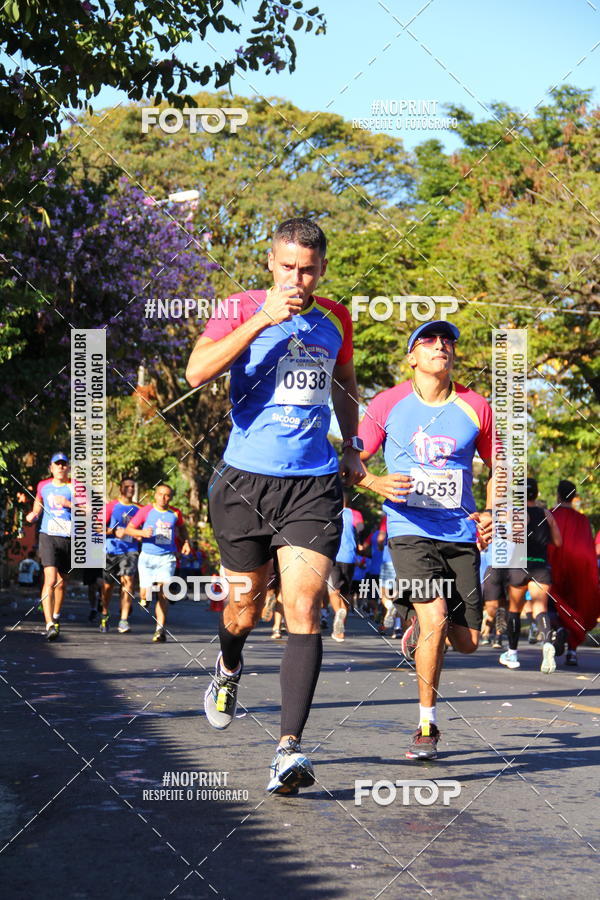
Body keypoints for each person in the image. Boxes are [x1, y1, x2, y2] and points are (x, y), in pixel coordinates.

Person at [185, 217, 363, 794]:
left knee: (303, 607)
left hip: (311, 484)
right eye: (287, 267)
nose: (297, 279)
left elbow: (344, 382)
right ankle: (229, 665)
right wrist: (263, 318)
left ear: (322, 269)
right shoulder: (239, 307)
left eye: (307, 270)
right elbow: (196, 371)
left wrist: (353, 445)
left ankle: (289, 749)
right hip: (244, 482)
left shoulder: (336, 318)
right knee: (243, 612)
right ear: (270, 262)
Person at [358, 320, 495, 760]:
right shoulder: (388, 403)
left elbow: (502, 469)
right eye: (429, 341)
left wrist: (492, 512)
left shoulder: (476, 406)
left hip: (460, 533)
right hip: (409, 529)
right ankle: (426, 725)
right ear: (412, 357)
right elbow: (350, 460)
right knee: (436, 617)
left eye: (447, 341)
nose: (441, 346)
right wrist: (375, 482)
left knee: (468, 642)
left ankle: (418, 626)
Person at [502, 477, 562, 672]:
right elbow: (558, 542)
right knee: (540, 609)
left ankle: (512, 653)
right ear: (536, 494)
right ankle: (547, 642)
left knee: (514, 610)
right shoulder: (546, 514)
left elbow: (507, 537)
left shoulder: (513, 513)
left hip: (518, 566)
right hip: (540, 566)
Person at [124, 484, 191, 643]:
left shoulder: (175, 513)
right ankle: (145, 598)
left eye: (167, 495)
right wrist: (142, 532)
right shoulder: (146, 511)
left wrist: (186, 542)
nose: (163, 498)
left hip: (166, 558)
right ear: (155, 495)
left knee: (163, 592)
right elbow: (129, 529)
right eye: (160, 494)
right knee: (144, 594)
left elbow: (182, 529)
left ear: (171, 497)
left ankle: (160, 629)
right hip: (147, 557)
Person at [548, 479, 600, 666]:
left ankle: (559, 630)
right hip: (579, 571)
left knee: (551, 605)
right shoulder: (582, 520)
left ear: (558, 495)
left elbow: (547, 544)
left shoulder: (551, 515)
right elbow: (588, 550)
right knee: (576, 609)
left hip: (555, 567)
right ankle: (572, 652)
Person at [26, 452, 77, 640]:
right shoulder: (43, 486)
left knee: (61, 583)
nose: (61, 467)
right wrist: (34, 514)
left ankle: (56, 616)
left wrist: (68, 503)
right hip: (47, 535)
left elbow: (88, 510)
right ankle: (49, 624)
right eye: (57, 464)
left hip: (68, 537)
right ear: (51, 468)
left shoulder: (75, 487)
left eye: (64, 464)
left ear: (68, 468)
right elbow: (38, 503)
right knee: (50, 580)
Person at [100, 478, 140, 634]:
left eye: (132, 486)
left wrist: (139, 535)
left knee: (128, 582)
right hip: (111, 550)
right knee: (108, 586)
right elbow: (96, 527)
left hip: (130, 550)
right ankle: (104, 612)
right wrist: (114, 531)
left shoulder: (138, 509)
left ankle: (123, 620)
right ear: (120, 488)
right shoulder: (111, 506)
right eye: (127, 486)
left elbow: (142, 528)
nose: (130, 489)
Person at [327, 492, 357, 642]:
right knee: (345, 593)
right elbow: (360, 528)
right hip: (350, 557)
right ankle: (340, 632)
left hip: (334, 554)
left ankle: (338, 611)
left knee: (333, 590)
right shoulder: (355, 514)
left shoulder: (330, 511)